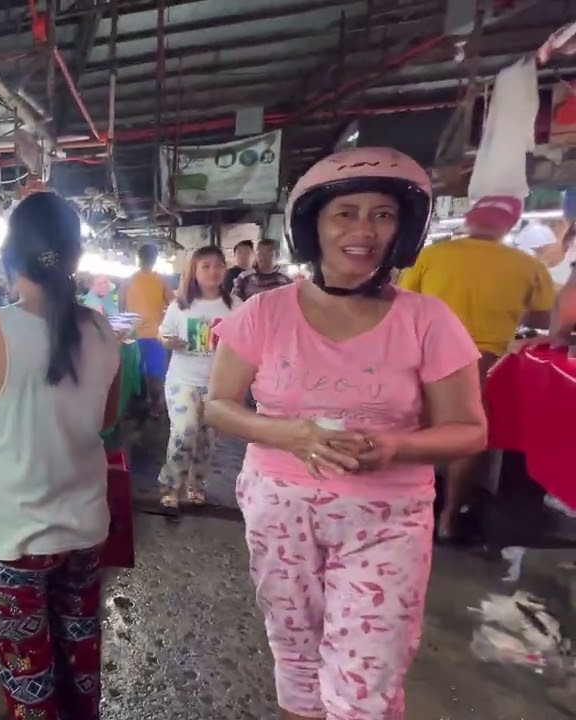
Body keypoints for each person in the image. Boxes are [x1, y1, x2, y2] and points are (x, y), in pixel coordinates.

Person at [206, 148, 486, 720]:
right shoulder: (263, 313)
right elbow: (218, 407)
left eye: (383, 215)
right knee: (296, 658)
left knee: (366, 682)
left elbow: (469, 431)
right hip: (279, 515)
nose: (364, 231)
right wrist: (290, 435)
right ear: (313, 227)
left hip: (386, 521)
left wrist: (399, 446)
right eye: (346, 214)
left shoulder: (428, 320)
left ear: (403, 229)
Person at [0, 192, 121, 720]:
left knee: (28, 674)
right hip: (83, 526)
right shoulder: (102, 328)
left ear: (9, 257)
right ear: (74, 258)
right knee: (79, 654)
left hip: (11, 536)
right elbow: (105, 419)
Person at [398, 194, 554, 541]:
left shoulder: (432, 255)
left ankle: (406, 507)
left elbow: (402, 302)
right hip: (483, 362)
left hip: (425, 354)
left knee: (414, 429)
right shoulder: (527, 265)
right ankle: (449, 517)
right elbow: (546, 319)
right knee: (466, 435)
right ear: (510, 225)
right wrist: (510, 307)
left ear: (469, 220)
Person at [157, 246, 242, 515]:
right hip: (182, 380)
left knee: (207, 439)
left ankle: (196, 483)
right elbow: (164, 334)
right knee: (185, 431)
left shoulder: (235, 305)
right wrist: (168, 341)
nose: (213, 271)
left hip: (217, 385)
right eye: (206, 266)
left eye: (218, 265)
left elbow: (244, 345)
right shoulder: (180, 304)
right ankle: (171, 486)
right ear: (194, 271)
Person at [124, 243, 174, 384]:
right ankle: (155, 397)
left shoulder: (128, 281)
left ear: (138, 258)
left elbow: (121, 309)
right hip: (155, 335)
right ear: (155, 259)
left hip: (134, 336)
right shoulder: (162, 280)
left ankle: (140, 396)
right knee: (157, 377)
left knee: (135, 378)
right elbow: (173, 304)